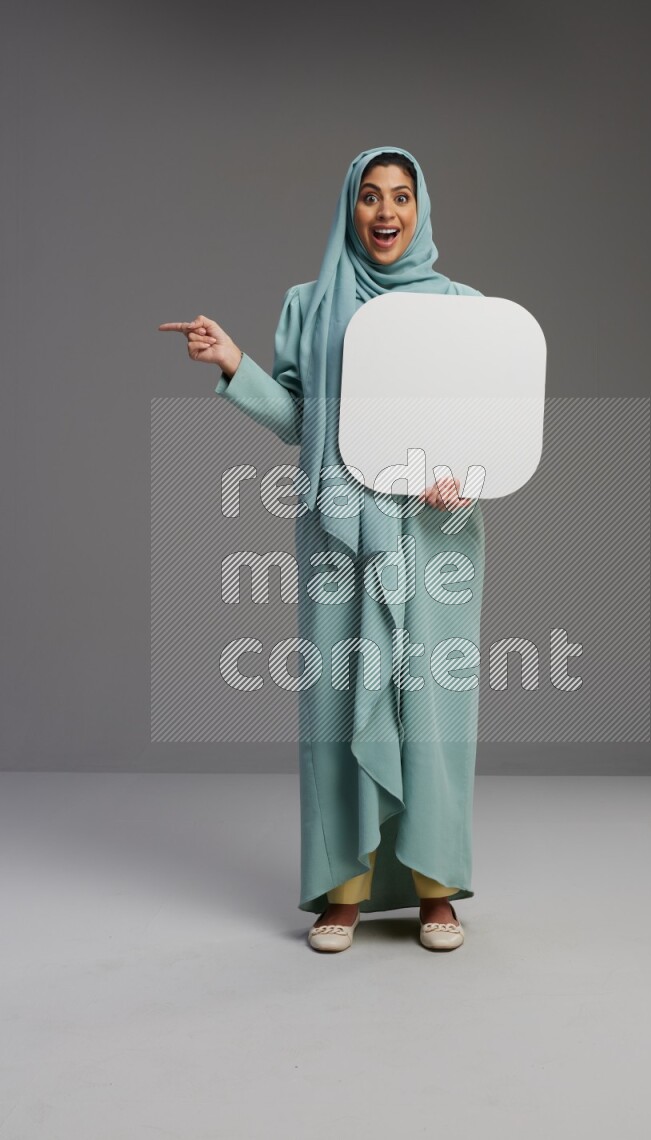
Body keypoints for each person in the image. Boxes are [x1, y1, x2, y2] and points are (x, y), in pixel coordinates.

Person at [159, 145, 485, 953]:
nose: (384, 212)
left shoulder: (463, 308)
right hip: (339, 532)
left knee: (433, 712)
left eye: (400, 197)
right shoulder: (310, 304)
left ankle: (436, 891)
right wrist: (233, 362)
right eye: (369, 197)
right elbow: (303, 422)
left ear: (421, 208)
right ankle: (343, 891)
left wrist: (463, 478)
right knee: (337, 710)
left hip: (436, 535)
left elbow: (485, 428)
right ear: (350, 208)